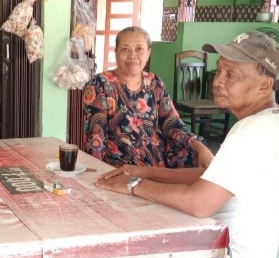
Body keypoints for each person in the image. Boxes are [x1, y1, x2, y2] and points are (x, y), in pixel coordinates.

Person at [95, 30, 279, 258]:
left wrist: (135, 186)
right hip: (254, 257)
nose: (217, 81)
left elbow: (199, 204)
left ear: (265, 84)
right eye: (219, 69)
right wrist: (145, 172)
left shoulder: (252, 132)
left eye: (231, 74)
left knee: (128, 227)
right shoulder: (274, 122)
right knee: (150, 206)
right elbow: (212, 177)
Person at [83, 26, 213, 169]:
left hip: (159, 159)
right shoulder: (100, 85)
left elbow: (173, 124)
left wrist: (200, 148)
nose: (132, 55)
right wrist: (96, 173)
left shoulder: (154, 83)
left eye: (139, 49)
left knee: (200, 161)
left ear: (148, 53)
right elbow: (96, 138)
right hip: (122, 164)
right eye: (125, 49)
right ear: (116, 52)